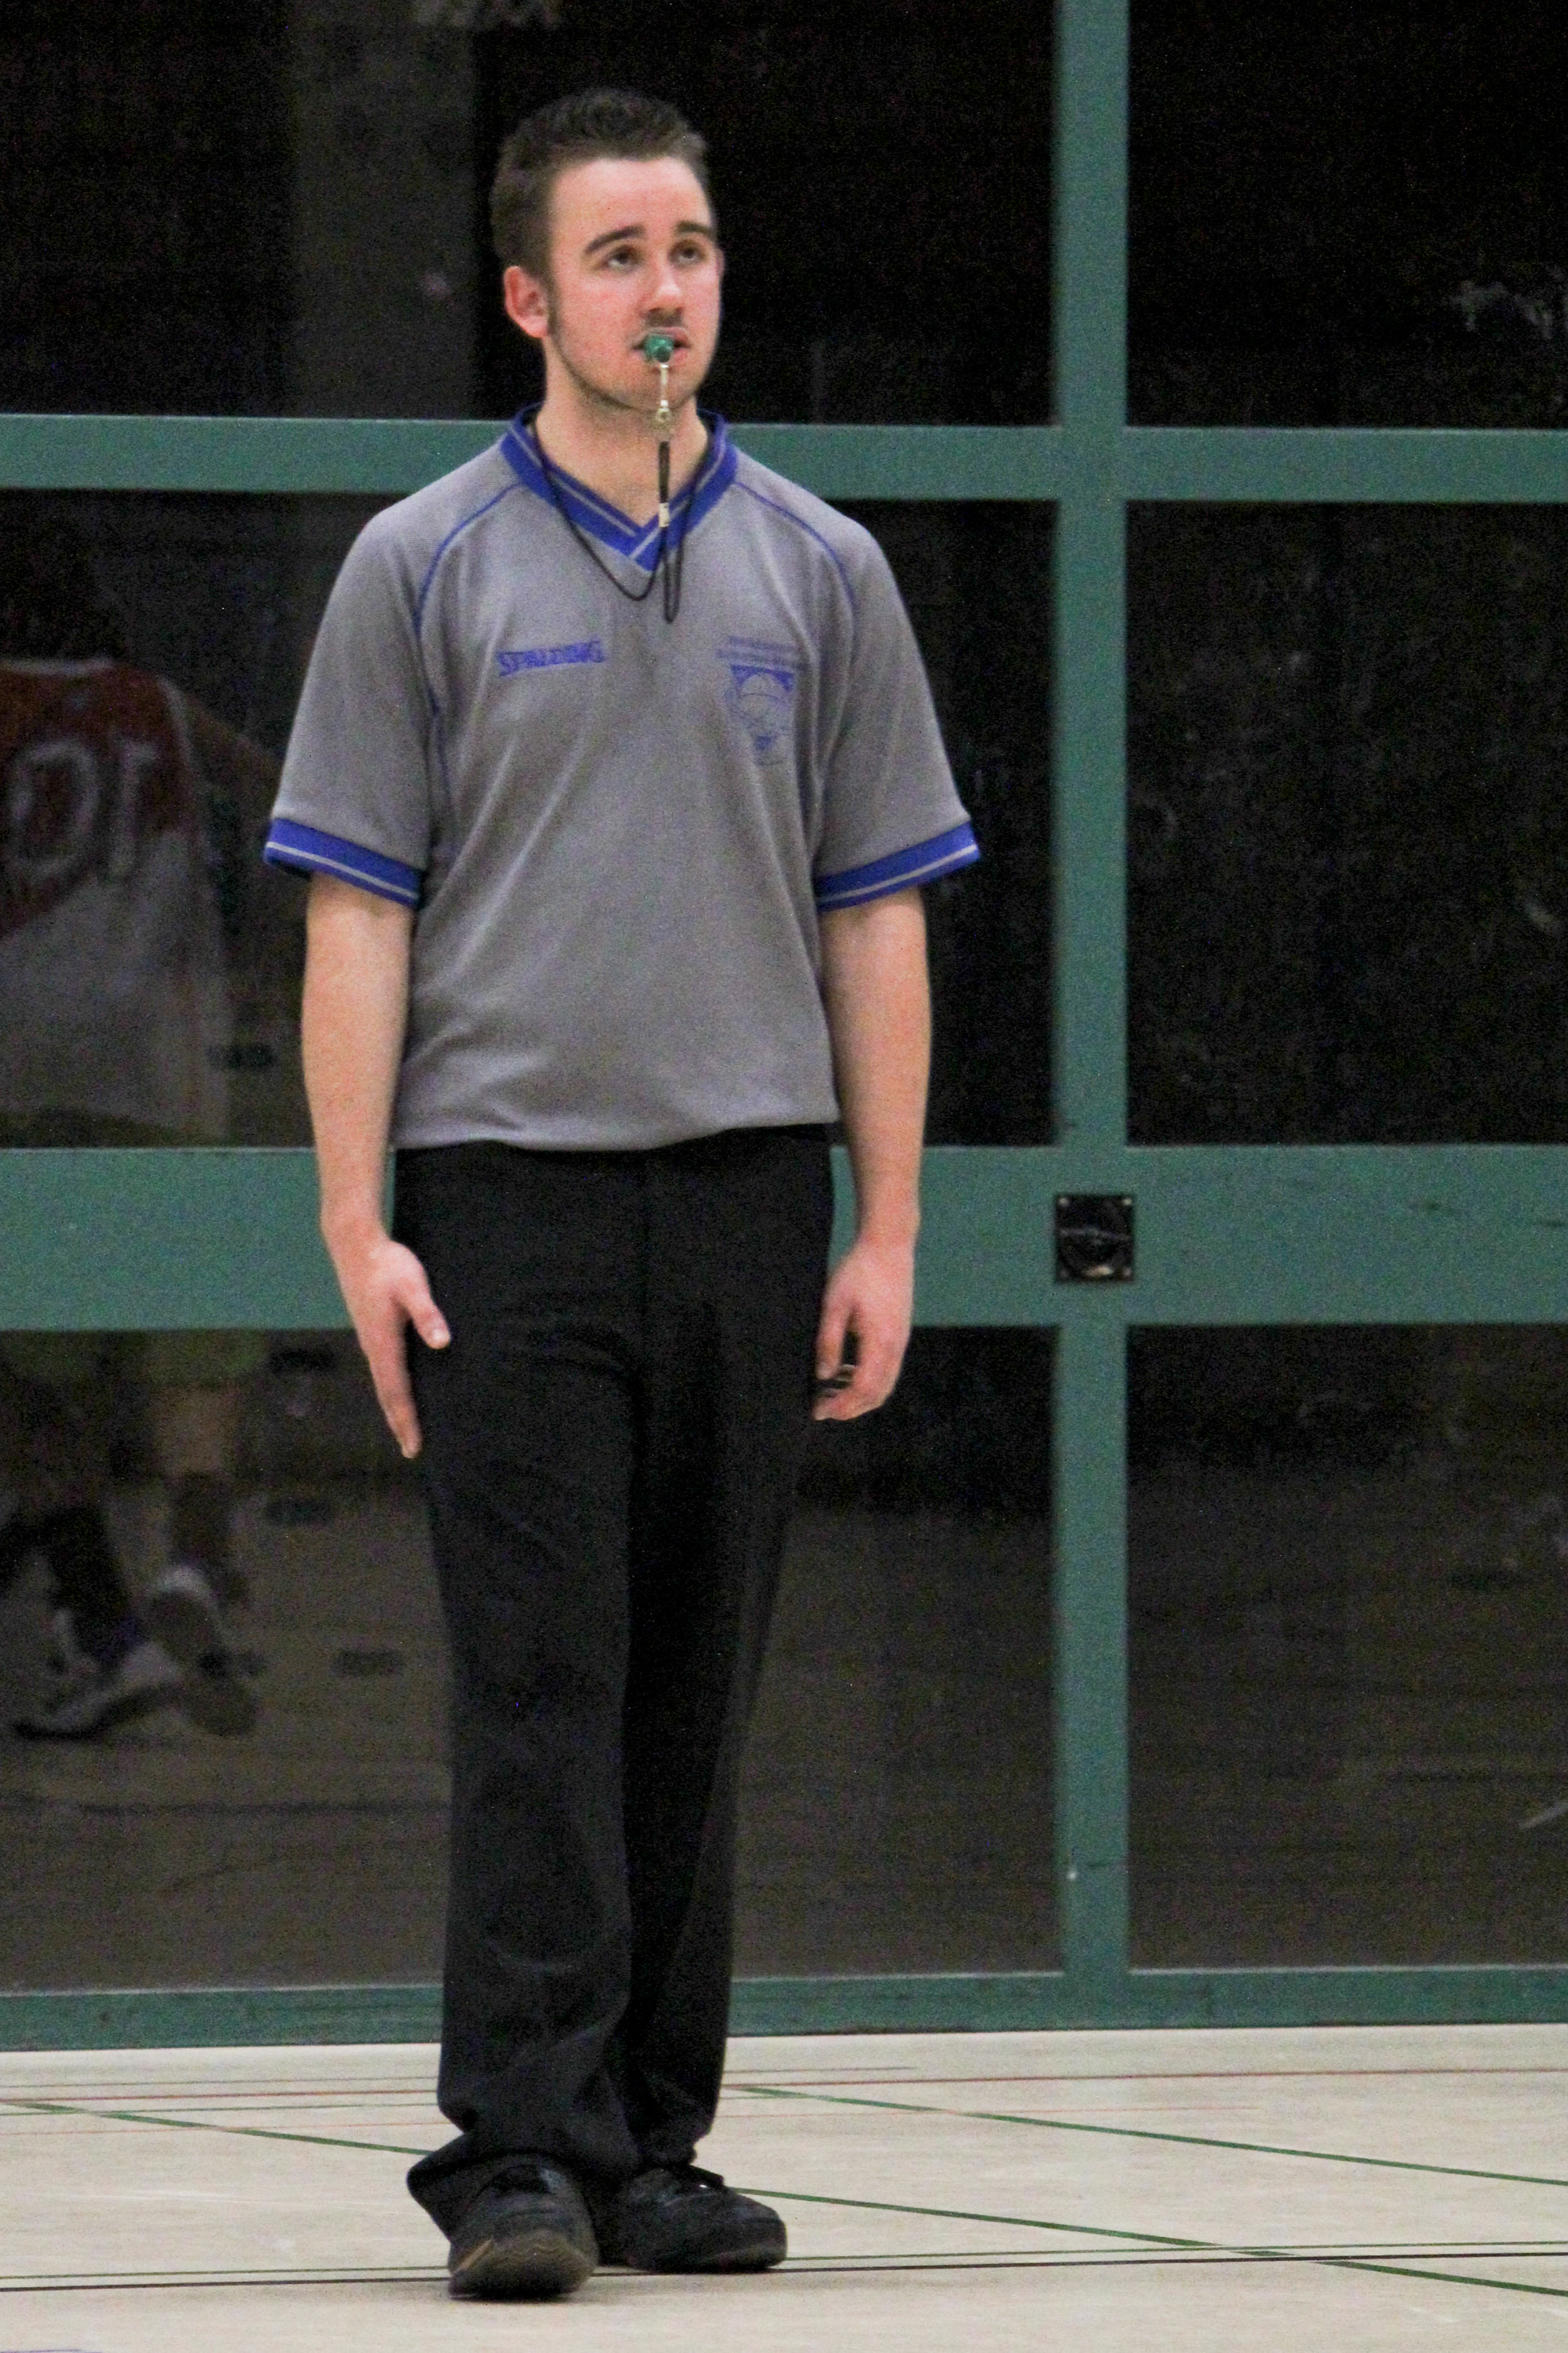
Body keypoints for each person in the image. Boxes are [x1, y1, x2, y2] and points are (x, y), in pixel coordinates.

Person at [265, 87, 978, 2301]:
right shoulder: (422, 567)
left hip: (748, 1196)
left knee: (694, 1690)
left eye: (689, 249)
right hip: (509, 1200)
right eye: (616, 256)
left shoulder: (822, 572)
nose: (663, 291)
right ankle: (514, 2151)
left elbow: (876, 914)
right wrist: (357, 1218)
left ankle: (656, 2142)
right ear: (527, 298)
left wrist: (885, 1224)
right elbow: (357, 916)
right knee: (542, 1683)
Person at [0, 507, 269, 1738]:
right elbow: (283, 797)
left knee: (29, 1377)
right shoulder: (155, 703)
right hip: (161, 1062)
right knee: (191, 1350)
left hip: (20, 1065)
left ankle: (103, 1626)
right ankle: (192, 1561)